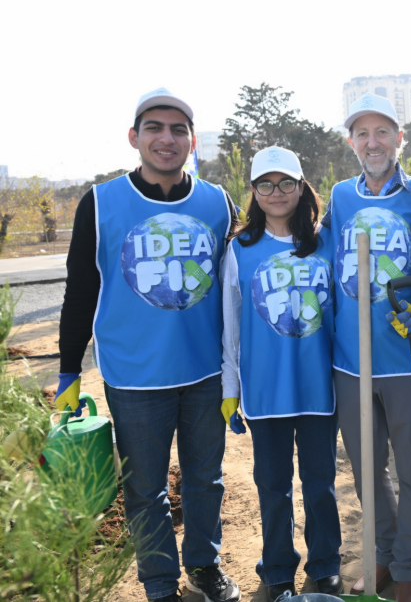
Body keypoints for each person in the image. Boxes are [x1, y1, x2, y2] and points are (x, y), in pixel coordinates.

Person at [56, 88, 240, 602]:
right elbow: (80, 290)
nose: (167, 138)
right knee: (145, 491)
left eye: (178, 129)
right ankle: (159, 584)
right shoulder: (101, 202)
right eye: (155, 128)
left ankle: (204, 566)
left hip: (205, 374)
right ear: (134, 138)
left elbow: (237, 287)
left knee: (206, 479)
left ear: (192, 141)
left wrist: (238, 371)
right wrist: (69, 371)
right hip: (134, 377)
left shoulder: (218, 202)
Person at [321, 93, 411, 602]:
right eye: (363, 134)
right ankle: (385, 556)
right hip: (351, 362)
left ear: (399, 138)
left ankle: (409, 572)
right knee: (368, 471)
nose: (373, 142)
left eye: (382, 132)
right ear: (352, 142)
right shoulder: (341, 197)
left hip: (409, 359)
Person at [219, 146, 343, 601]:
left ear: (301, 187)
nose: (277, 192)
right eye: (266, 184)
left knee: (320, 485)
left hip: (317, 388)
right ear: (253, 191)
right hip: (264, 390)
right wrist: (230, 388)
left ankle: (325, 563)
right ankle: (276, 569)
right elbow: (230, 327)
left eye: (286, 183)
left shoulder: (323, 242)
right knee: (272, 486)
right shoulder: (240, 249)